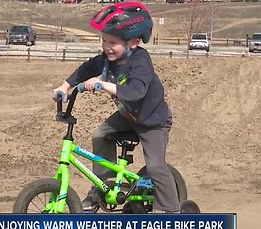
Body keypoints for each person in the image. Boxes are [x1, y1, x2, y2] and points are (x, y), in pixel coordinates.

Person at [51, 1, 180, 213]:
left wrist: (104, 84)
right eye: (104, 41)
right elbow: (86, 68)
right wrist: (65, 87)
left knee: (156, 166)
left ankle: (170, 210)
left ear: (133, 42)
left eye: (112, 42)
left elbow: (136, 91)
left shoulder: (140, 61)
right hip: (128, 116)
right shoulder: (107, 60)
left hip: (153, 121)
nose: (106, 47)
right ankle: (103, 188)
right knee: (100, 136)